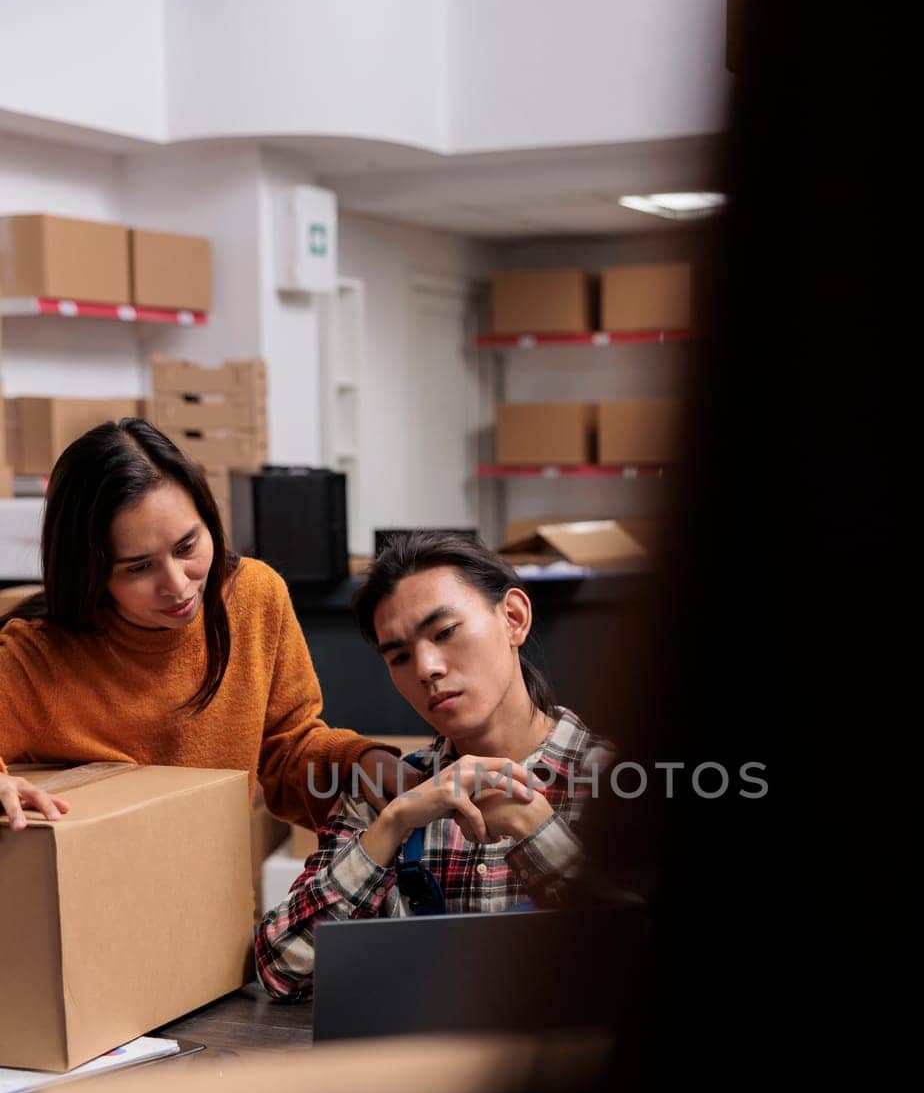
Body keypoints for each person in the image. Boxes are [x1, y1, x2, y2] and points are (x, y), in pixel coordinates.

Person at [254, 530, 614, 1000]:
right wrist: (396, 821)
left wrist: (534, 827)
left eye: (444, 633)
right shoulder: (386, 792)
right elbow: (282, 970)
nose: (425, 667)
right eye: (399, 656)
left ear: (513, 618)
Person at [0, 419, 399, 833]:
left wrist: (360, 763)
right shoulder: (39, 657)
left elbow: (288, 749)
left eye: (187, 547)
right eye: (139, 567)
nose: (176, 585)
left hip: (212, 884)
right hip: (89, 891)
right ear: (91, 572)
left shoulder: (254, 596)